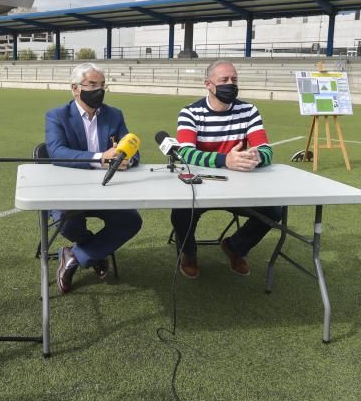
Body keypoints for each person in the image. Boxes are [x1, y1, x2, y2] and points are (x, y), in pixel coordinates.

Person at [170, 60, 283, 279]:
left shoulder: (249, 110)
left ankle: (235, 247)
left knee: (274, 211)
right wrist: (225, 160)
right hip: (200, 186)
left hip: (241, 187)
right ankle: (189, 253)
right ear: (208, 84)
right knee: (181, 211)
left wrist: (253, 157)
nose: (230, 84)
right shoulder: (190, 112)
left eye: (234, 79)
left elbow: (266, 150)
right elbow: (185, 153)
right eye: (224, 80)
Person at [45, 62, 143, 293]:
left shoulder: (114, 115)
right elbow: (56, 152)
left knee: (131, 221)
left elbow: (133, 150)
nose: (98, 90)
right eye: (91, 85)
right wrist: (100, 158)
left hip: (107, 190)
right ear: (75, 88)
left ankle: (75, 256)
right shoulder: (57, 116)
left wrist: (127, 158)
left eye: (101, 85)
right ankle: (95, 251)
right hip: (68, 190)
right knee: (67, 222)